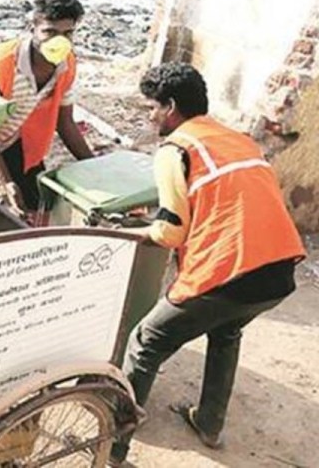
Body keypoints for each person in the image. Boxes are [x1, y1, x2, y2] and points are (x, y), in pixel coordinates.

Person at [110, 63, 306, 466]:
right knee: (226, 330)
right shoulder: (238, 140)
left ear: (170, 107)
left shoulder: (174, 150)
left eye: (152, 107)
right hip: (279, 269)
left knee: (146, 341)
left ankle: (113, 445)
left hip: (230, 271)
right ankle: (209, 423)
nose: (150, 116)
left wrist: (139, 231)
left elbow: (170, 233)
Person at [0, 0, 94, 216]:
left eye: (67, 34)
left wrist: (94, 165)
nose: (59, 42)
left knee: (37, 204)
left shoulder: (66, 64)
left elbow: (65, 122)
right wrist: (6, 182)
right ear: (32, 29)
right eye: (50, 32)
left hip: (18, 142)